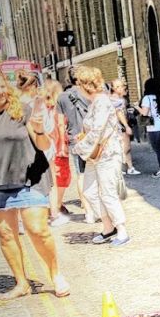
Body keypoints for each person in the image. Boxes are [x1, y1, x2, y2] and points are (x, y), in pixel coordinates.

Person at [0, 69, 69, 298]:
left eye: (2, 86)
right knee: (7, 236)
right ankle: (21, 283)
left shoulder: (21, 111)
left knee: (37, 230)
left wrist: (38, 130)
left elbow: (44, 145)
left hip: (29, 178)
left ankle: (55, 274)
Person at [75, 65, 130, 246]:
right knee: (89, 191)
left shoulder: (102, 102)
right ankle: (108, 227)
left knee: (107, 193)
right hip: (96, 154)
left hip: (106, 154)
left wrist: (79, 147)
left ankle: (121, 230)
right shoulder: (96, 102)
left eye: (79, 84)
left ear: (86, 85)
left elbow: (97, 130)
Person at [56, 68, 90, 219]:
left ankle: (86, 207)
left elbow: (60, 124)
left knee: (81, 174)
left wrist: (63, 144)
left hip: (74, 140)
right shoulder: (88, 93)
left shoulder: (62, 97)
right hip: (91, 138)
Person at [40, 79, 72, 227]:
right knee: (61, 178)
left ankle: (53, 206)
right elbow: (60, 126)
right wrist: (63, 146)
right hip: (57, 147)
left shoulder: (41, 107)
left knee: (51, 179)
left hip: (46, 148)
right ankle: (56, 206)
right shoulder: (56, 108)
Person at [138, 78, 160, 178]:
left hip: (154, 128)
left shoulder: (146, 98)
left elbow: (144, 113)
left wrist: (136, 107)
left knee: (158, 149)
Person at [109, 78, 139, 176]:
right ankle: (121, 167)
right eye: (118, 86)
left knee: (126, 148)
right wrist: (126, 126)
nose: (122, 88)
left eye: (122, 86)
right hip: (119, 127)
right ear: (113, 88)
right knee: (124, 148)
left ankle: (129, 167)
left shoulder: (121, 99)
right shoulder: (115, 99)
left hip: (121, 126)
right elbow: (119, 113)